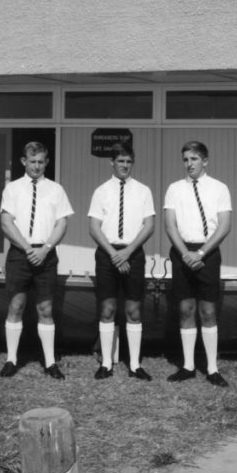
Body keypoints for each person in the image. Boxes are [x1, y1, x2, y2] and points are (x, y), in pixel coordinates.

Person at [0, 141, 74, 380]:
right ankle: (11, 359)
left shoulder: (56, 189)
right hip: (20, 254)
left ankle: (50, 363)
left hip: (46, 253)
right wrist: (27, 247)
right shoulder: (12, 189)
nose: (37, 166)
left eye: (41, 161)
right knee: (16, 306)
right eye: (32, 161)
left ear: (47, 162)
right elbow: (6, 222)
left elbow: (62, 223)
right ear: (24, 162)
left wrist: (45, 249)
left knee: (45, 308)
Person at [163, 141, 232, 387]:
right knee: (185, 309)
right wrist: (185, 254)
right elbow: (170, 225)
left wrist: (201, 253)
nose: (189, 164)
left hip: (208, 253)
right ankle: (188, 366)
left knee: (208, 311)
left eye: (193, 159)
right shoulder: (174, 189)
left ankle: (212, 368)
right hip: (182, 252)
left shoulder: (219, 188)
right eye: (185, 159)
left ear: (205, 161)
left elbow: (224, 226)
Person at [87, 142, 156, 381]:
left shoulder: (143, 191)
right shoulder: (101, 191)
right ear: (112, 163)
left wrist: (127, 252)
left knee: (133, 310)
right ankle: (106, 363)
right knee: (107, 309)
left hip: (133, 253)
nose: (125, 165)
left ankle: (135, 365)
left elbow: (149, 225)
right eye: (120, 161)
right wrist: (115, 254)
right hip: (107, 254)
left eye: (128, 161)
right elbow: (94, 228)